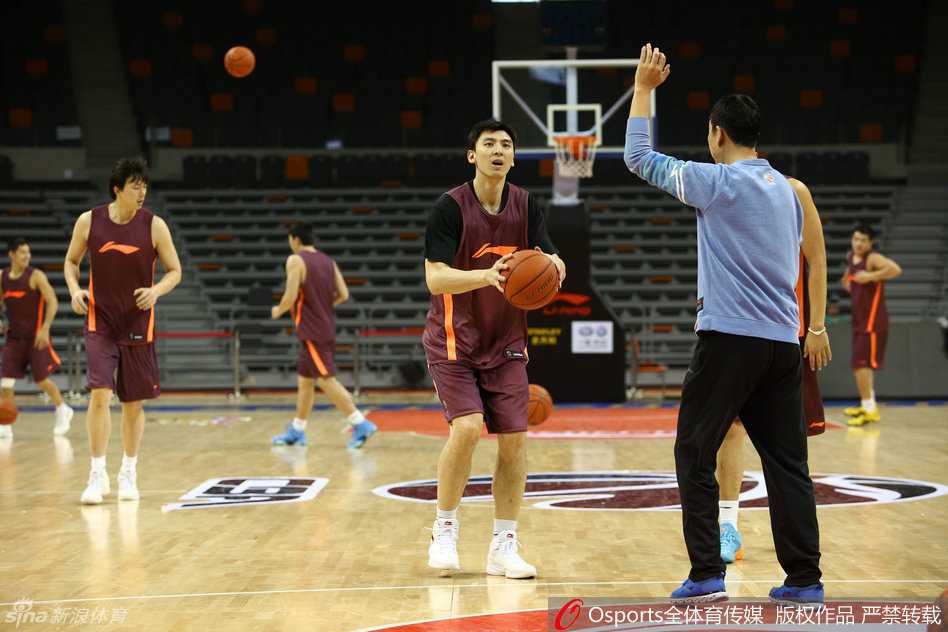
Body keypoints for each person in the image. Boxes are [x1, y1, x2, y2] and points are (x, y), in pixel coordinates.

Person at [624, 44, 827, 604]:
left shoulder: (716, 182)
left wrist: (643, 88)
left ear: (717, 135)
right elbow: (813, 257)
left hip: (729, 341)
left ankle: (708, 571)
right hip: (782, 344)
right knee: (788, 465)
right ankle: (805, 580)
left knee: (694, 452)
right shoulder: (790, 191)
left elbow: (638, 157)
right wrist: (817, 325)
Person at [423, 119, 565, 579]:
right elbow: (435, 277)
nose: (498, 151)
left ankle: (503, 543)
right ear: (473, 155)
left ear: (513, 157)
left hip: (506, 343)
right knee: (465, 430)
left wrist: (553, 267)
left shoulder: (526, 204)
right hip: (454, 341)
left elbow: (551, 256)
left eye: (506, 145)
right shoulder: (450, 207)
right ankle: (444, 528)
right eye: (489, 144)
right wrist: (486, 276)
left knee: (515, 443)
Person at [716, 178, 831, 565]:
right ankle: (727, 525)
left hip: (787, 333)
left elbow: (816, 259)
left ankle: (798, 548)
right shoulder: (719, 190)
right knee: (729, 430)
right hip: (734, 333)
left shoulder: (794, 191)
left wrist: (817, 326)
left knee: (788, 447)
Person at [64, 158, 182, 504]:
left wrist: (156, 291)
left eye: (145, 185)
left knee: (133, 403)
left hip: (137, 322)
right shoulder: (89, 221)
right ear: (118, 189)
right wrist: (74, 290)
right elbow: (71, 262)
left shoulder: (154, 226)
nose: (142, 191)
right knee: (100, 393)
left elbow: (175, 270)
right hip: (99, 320)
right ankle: (96, 473)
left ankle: (128, 470)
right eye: (135, 185)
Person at [270, 223, 377, 449]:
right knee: (305, 381)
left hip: (311, 330)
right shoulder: (328, 261)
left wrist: (277, 310)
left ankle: (360, 422)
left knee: (325, 378)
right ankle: (297, 430)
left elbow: (289, 297)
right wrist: (323, 307)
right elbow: (344, 294)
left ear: (295, 239)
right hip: (326, 326)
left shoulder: (295, 259)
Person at [0, 237, 73, 438]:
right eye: (23, 252)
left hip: (35, 337)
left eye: (28, 252)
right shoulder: (2, 277)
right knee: (6, 381)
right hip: (14, 338)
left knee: (41, 380)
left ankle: (62, 409)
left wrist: (45, 328)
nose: (27, 256)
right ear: (12, 255)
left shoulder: (36, 276)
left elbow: (53, 301)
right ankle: (5, 424)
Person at [841, 225, 901, 426]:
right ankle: (868, 405)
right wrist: (851, 282)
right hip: (860, 321)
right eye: (855, 239)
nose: (858, 243)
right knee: (861, 365)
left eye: (863, 240)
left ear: (870, 243)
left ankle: (869, 409)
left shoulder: (873, 258)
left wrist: (871, 276)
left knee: (861, 365)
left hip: (873, 322)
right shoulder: (851, 258)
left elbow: (895, 269)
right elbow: (846, 281)